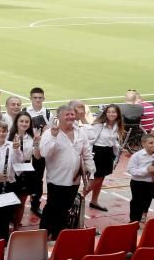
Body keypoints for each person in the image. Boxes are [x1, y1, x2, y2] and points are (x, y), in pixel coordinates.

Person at [38, 105, 94, 239]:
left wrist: (91, 174)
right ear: (59, 117)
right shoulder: (49, 133)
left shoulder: (81, 133)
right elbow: (44, 153)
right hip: (57, 180)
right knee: (54, 208)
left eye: (72, 114)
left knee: (66, 208)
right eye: (67, 114)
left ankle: (57, 235)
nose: (70, 117)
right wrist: (53, 136)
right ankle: (46, 234)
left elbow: (87, 155)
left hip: (74, 180)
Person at [85, 105, 124, 212]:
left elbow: (114, 142)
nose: (111, 114)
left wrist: (116, 154)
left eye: (114, 112)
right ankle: (79, 198)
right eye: (109, 112)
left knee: (101, 179)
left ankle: (94, 201)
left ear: (117, 114)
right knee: (94, 180)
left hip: (108, 153)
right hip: (98, 153)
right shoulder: (99, 125)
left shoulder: (116, 125)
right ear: (105, 113)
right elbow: (90, 141)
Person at [7, 112, 41, 228]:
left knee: (21, 201)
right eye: (21, 121)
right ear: (16, 122)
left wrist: (36, 143)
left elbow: (37, 156)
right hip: (11, 170)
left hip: (26, 170)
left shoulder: (31, 137)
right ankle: (7, 224)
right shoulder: (8, 136)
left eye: (27, 122)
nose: (24, 124)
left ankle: (16, 226)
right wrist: (14, 148)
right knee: (10, 202)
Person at [127, 134, 154, 223]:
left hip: (153, 183)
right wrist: (146, 170)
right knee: (137, 202)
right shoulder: (137, 156)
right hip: (138, 183)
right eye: (151, 143)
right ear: (143, 144)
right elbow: (131, 170)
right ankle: (134, 222)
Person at [23, 87, 52, 217]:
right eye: (35, 97)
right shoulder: (24, 111)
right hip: (25, 150)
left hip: (40, 150)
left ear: (43, 99)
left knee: (38, 178)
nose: (37, 100)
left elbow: (52, 133)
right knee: (22, 177)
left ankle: (35, 204)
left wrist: (46, 130)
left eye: (40, 98)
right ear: (30, 98)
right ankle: (19, 205)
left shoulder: (48, 113)